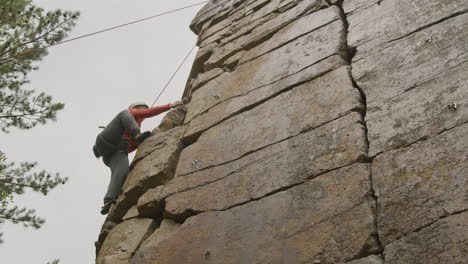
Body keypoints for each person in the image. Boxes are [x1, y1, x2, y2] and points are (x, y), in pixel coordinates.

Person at [93, 101, 183, 215]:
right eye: (141, 109)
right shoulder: (129, 114)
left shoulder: (132, 131)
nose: (143, 112)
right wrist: (169, 106)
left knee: (121, 172)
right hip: (107, 139)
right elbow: (149, 112)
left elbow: (131, 148)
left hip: (114, 153)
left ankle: (109, 200)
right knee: (125, 115)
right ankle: (137, 135)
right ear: (135, 108)